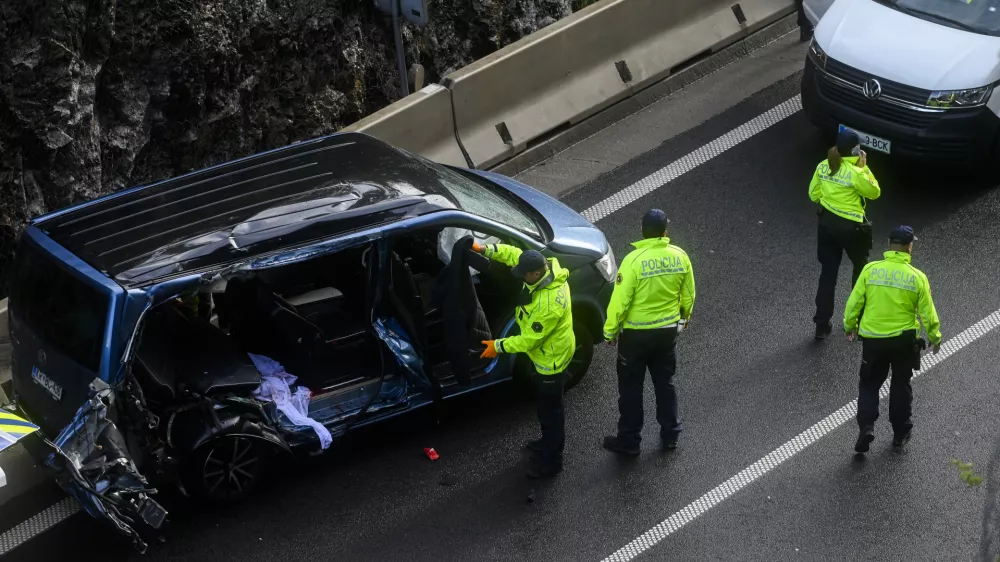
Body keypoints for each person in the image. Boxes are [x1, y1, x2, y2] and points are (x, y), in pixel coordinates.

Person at [477, 244, 575, 478]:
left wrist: (497, 346)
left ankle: (552, 462)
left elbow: (530, 340)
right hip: (551, 351)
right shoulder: (545, 267)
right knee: (545, 408)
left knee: (551, 412)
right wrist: (484, 249)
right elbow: (513, 254)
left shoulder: (547, 304)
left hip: (551, 362)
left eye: (524, 274)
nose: (520, 275)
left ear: (536, 274)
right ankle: (547, 442)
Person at [601, 210, 695, 455]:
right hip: (666, 334)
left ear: (642, 231)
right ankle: (671, 435)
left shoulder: (634, 260)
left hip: (635, 337)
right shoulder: (680, 256)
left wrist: (610, 332)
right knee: (665, 384)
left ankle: (629, 441)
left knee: (631, 388)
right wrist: (683, 320)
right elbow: (689, 295)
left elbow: (620, 301)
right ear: (665, 232)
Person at [844, 226, 941, 454]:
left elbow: (853, 303)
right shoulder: (917, 277)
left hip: (873, 340)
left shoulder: (870, 270)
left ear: (889, 245)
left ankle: (866, 428)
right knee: (900, 385)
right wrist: (935, 337)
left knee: (869, 385)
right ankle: (900, 434)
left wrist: (851, 326)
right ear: (909, 247)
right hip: (903, 342)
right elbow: (928, 312)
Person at [809, 128, 881, 340]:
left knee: (828, 275)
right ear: (856, 150)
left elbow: (813, 194)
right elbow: (875, 192)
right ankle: (856, 320)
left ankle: (821, 325)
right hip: (852, 230)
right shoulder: (856, 173)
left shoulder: (823, 166)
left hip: (826, 227)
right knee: (860, 272)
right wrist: (865, 169)